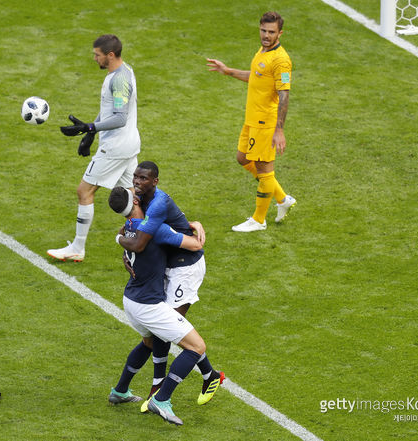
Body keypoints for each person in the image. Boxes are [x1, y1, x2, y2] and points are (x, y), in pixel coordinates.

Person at [114, 162, 224, 409]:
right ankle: (208, 376)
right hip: (169, 264)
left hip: (186, 268)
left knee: (168, 330)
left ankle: (159, 388)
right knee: (158, 333)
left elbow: (141, 243)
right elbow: (130, 220)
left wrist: (120, 239)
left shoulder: (157, 207)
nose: (137, 182)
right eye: (135, 177)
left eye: (143, 178)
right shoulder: (140, 201)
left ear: (155, 181)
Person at [47, 34, 140, 261]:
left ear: (110, 55)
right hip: (128, 145)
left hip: (116, 148)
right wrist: (92, 132)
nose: (94, 58)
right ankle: (146, 242)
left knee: (84, 191)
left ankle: (77, 248)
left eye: (97, 55)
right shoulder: (123, 71)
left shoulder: (119, 80)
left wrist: (91, 126)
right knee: (132, 198)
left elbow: (119, 118)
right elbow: (109, 110)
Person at [206, 11, 296, 232]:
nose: (266, 35)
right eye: (263, 30)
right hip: (252, 119)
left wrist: (279, 130)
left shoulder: (281, 60)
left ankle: (258, 220)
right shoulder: (263, 50)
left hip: (266, 122)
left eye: (271, 32)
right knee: (243, 158)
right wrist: (228, 71)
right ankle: (283, 199)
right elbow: (255, 76)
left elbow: (284, 94)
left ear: (280, 33)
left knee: (264, 169)